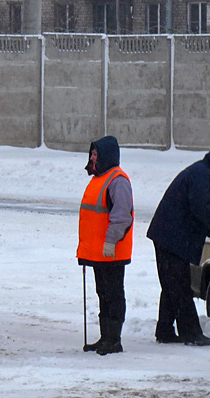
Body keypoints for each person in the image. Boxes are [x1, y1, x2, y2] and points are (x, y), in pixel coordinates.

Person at [146, 145, 210, 346]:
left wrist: (209, 230)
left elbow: (192, 210)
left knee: (172, 285)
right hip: (172, 237)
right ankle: (191, 334)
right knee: (179, 286)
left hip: (168, 234)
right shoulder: (202, 175)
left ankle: (165, 331)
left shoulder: (201, 171)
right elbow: (199, 208)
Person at [77, 135, 134, 355]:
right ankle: (105, 338)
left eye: (95, 154)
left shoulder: (117, 180)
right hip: (98, 253)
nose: (92, 158)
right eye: (91, 154)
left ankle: (114, 340)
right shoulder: (99, 179)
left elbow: (121, 216)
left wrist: (111, 242)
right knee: (103, 293)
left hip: (112, 252)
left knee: (113, 294)